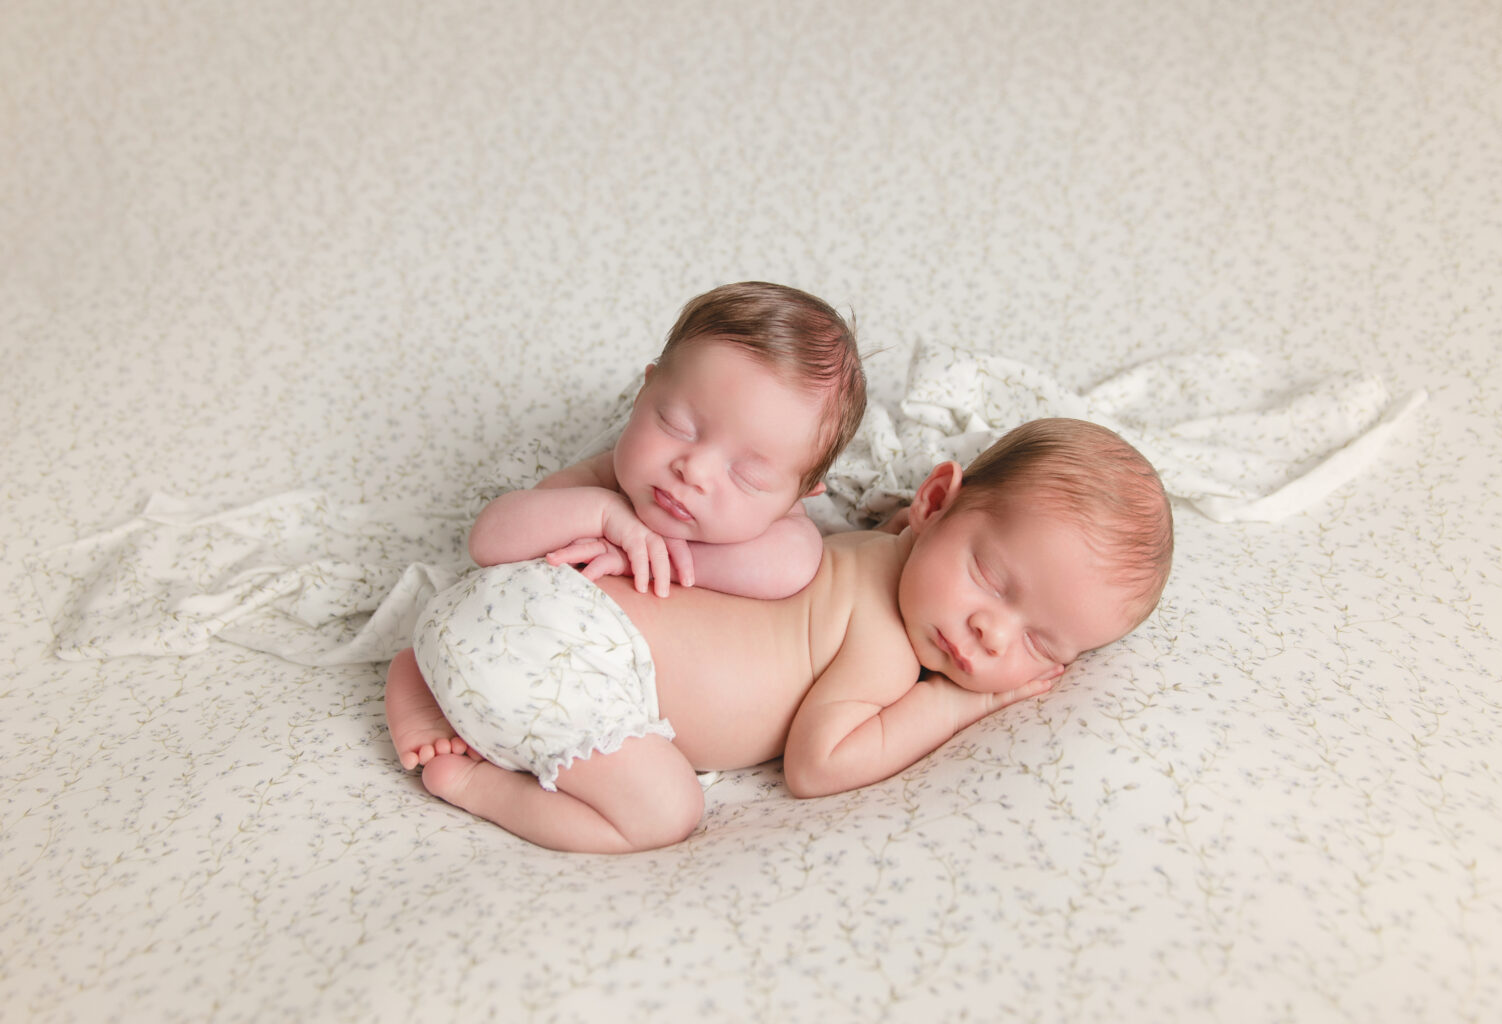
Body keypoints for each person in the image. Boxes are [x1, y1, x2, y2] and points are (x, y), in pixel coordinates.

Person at [385, 417, 1174, 853]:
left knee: (489, 646)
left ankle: (425, 671)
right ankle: (479, 783)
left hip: (522, 603)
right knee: (665, 814)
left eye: (1042, 646)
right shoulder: (887, 644)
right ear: (933, 500)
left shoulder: (864, 546)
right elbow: (818, 764)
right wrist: (957, 709)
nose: (991, 635)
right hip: (579, 665)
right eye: (994, 581)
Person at [468, 281, 865, 601]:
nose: (694, 470)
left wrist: (643, 558)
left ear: (798, 496)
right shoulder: (607, 479)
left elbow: (793, 566)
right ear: (643, 394)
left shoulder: (780, 530)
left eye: (748, 477)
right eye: (677, 426)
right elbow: (489, 540)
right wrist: (604, 514)